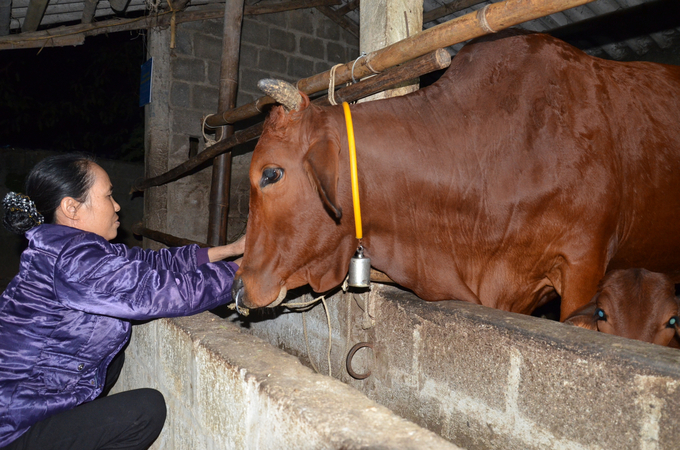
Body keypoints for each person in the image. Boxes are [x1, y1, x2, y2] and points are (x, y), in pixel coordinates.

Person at [0, 153, 245, 449]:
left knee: (113, 361)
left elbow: (149, 262)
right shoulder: (71, 261)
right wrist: (240, 273)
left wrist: (229, 251)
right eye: (108, 195)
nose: (117, 206)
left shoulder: (69, 246)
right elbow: (157, 292)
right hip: (13, 424)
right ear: (71, 208)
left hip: (31, 398)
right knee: (144, 411)